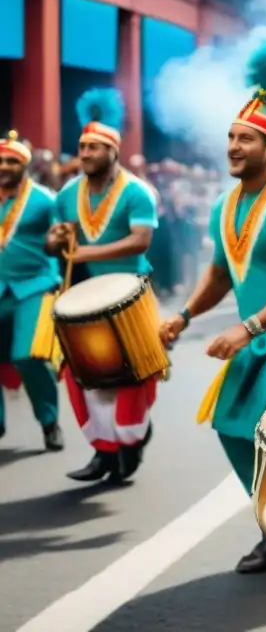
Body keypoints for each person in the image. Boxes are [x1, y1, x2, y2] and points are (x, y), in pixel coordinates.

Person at [159, 40, 266, 575]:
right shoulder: (223, 204)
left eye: (246, 139)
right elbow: (219, 273)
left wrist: (246, 326)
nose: (233, 146)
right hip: (256, 337)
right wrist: (183, 316)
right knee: (232, 427)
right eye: (231, 137)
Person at [48, 89, 159, 483]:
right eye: (82, 147)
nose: (87, 153)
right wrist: (57, 241)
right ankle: (103, 451)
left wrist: (87, 255)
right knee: (83, 375)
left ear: (114, 150)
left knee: (131, 373)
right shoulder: (65, 195)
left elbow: (141, 240)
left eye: (95, 147)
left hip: (132, 293)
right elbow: (56, 240)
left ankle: (131, 438)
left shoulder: (136, 192)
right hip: (85, 297)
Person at [0, 131, 63, 450]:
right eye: (1, 160)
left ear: (24, 165)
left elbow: (64, 240)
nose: (4, 166)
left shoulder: (45, 200)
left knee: (28, 356)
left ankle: (49, 421)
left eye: (12, 161)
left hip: (35, 285)